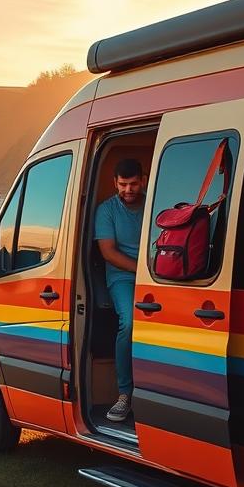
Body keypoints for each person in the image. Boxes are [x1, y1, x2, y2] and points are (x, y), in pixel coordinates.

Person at [94, 158, 146, 423]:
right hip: (122, 277)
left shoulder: (152, 203)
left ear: (142, 181)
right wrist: (142, 271)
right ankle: (124, 394)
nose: (128, 189)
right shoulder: (107, 210)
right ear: (115, 183)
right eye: (123, 184)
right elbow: (108, 252)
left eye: (133, 184)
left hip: (154, 276)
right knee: (130, 323)